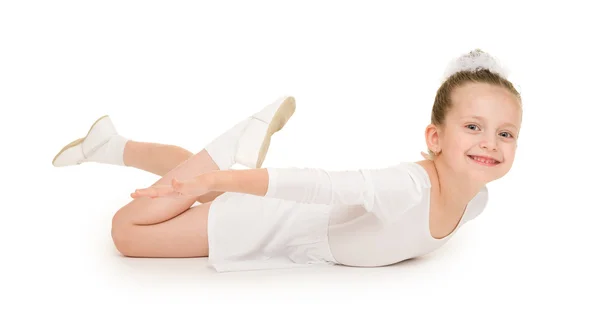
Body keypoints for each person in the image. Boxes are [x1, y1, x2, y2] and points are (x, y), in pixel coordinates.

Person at [52, 48, 523, 273]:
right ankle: (232, 147)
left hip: (297, 228)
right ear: (435, 137)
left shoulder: (475, 200)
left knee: (201, 183)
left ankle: (109, 145)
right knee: (127, 232)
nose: (491, 144)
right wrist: (226, 181)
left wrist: (213, 182)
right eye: (473, 127)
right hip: (271, 222)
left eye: (505, 133)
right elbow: (323, 185)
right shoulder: (406, 188)